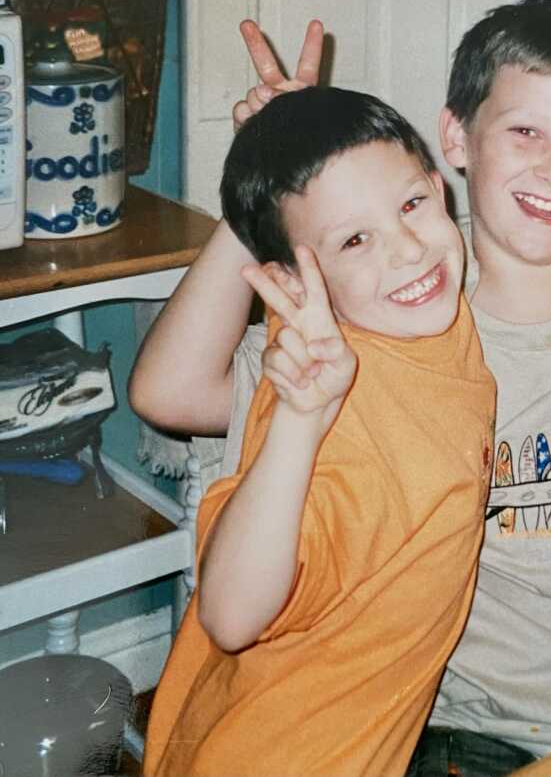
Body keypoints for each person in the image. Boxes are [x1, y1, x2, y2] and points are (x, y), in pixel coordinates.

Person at [142, 0, 551, 776]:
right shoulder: (377, 323)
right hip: (453, 737)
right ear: (455, 138)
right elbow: (173, 391)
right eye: (525, 131)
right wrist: (280, 170)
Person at [133, 86, 496, 777]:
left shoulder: (424, 314)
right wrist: (299, 423)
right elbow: (233, 615)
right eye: (355, 240)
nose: (409, 251)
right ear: (294, 285)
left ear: (439, 188)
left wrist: (273, 157)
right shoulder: (322, 394)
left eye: (413, 204)